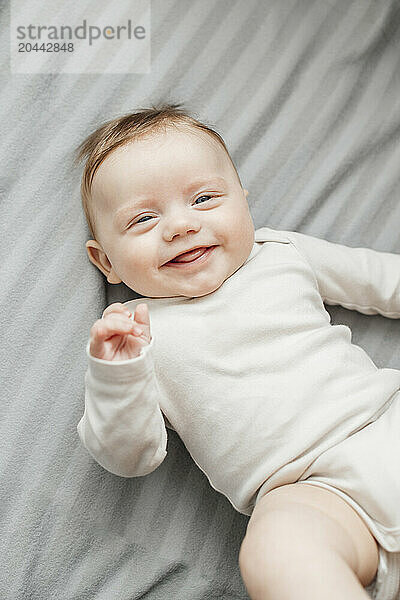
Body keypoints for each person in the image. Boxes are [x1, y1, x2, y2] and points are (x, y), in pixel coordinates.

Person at [75, 103, 400, 600]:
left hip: (386, 419)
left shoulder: (279, 253)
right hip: (310, 496)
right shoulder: (135, 337)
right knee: (276, 551)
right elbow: (130, 456)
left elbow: (380, 280)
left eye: (204, 198)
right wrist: (117, 376)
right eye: (143, 219)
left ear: (244, 205)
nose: (181, 226)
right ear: (106, 261)